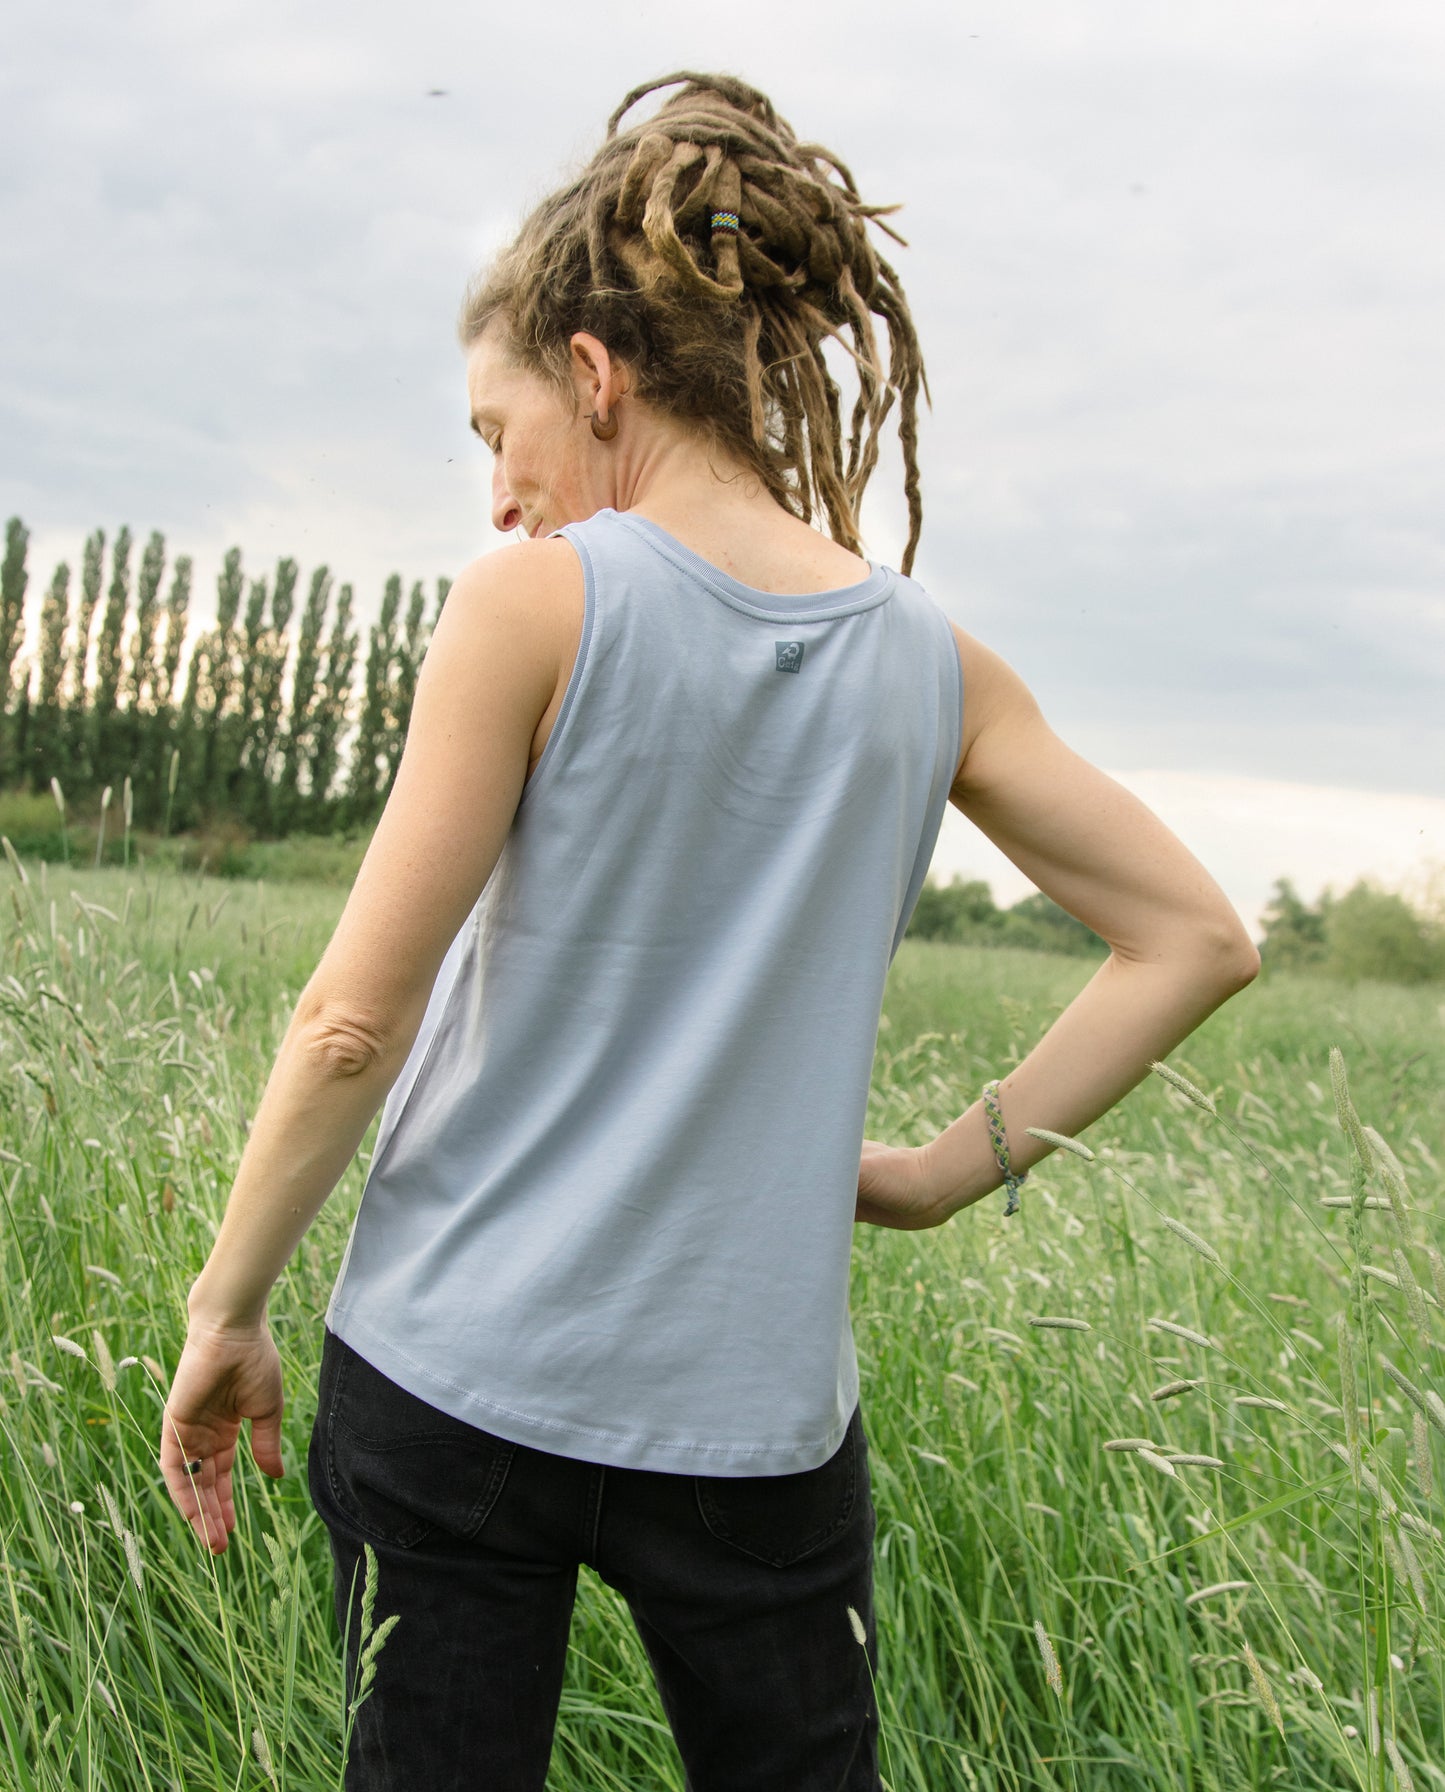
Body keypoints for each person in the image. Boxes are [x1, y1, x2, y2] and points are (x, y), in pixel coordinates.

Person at [161, 70, 1259, 1792]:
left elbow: (347, 1027)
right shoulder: (933, 664)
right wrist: (928, 1176)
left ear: (592, 375)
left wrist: (228, 1311)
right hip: (753, 1432)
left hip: (450, 1381)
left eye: (493, 433)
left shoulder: (536, 602)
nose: (497, 491)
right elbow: (1195, 937)